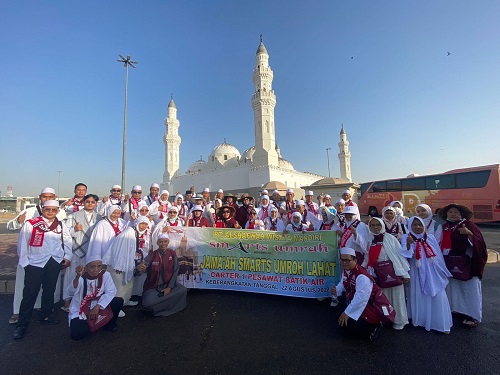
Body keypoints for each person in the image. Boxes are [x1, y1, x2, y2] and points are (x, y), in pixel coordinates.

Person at [13, 200, 73, 340]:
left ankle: (46, 315)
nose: (50, 212)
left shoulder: (60, 224)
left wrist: (67, 256)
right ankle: (22, 324)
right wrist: (25, 263)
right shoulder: (31, 224)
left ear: (58, 210)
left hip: (54, 261)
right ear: (42, 208)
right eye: (48, 209)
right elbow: (23, 243)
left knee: (49, 290)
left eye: (53, 210)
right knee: (30, 293)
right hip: (35, 262)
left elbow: (67, 240)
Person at [7, 187, 65, 325]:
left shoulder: (60, 213)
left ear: (55, 197)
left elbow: (64, 234)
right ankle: (19, 315)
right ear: (40, 197)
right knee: (27, 290)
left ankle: (45, 313)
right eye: (45, 196)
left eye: (50, 197)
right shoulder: (29, 211)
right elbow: (11, 226)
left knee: (49, 289)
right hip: (32, 258)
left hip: (51, 258)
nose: (47, 199)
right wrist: (18, 221)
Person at [436, 204, 487, 327]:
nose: (453, 214)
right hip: (450, 262)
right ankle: (457, 310)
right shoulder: (444, 227)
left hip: (467, 264)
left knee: (469, 290)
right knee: (453, 289)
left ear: (461, 214)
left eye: (456, 212)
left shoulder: (470, 226)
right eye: (450, 212)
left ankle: (471, 315)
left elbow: (480, 244)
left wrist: (469, 234)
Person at [401, 216, 452, 333]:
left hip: (432, 270)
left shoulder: (430, 238)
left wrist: (440, 270)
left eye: (420, 224)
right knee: (419, 292)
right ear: (410, 226)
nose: (418, 227)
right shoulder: (406, 237)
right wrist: (409, 244)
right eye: (414, 225)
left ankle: (438, 322)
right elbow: (405, 255)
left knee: (436, 292)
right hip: (416, 270)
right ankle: (421, 319)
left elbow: (437, 255)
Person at [363, 217, 410, 330]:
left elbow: (399, 255)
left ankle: (400, 320)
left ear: (382, 225)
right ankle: (387, 318)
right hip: (378, 273)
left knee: (397, 297)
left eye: (377, 225)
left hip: (393, 271)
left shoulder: (390, 238)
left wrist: (405, 274)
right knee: (383, 298)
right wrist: (363, 269)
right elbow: (367, 256)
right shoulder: (370, 240)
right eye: (372, 225)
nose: (375, 227)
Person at [330, 247, 384, 341]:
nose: (344, 262)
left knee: (348, 325)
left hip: (369, 307)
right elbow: (343, 284)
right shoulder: (347, 271)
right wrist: (336, 290)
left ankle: (374, 328)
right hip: (355, 302)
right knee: (341, 322)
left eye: (347, 260)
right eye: (342, 260)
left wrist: (347, 313)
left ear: (355, 260)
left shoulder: (362, 276)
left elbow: (361, 299)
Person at [66, 255, 124, 340]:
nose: (96, 269)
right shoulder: (81, 278)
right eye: (92, 267)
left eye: (99, 266)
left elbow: (111, 291)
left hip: (98, 304)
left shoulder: (105, 275)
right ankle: (95, 323)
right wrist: (77, 276)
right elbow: (70, 292)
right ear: (86, 268)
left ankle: (108, 324)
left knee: (118, 301)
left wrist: (97, 306)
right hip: (82, 308)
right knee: (76, 335)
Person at [61, 194, 102, 313]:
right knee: (71, 276)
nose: (90, 204)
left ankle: (84, 300)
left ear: (96, 204)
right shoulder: (73, 216)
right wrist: (74, 229)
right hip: (76, 250)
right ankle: (67, 301)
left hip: (92, 251)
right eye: (87, 201)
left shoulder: (99, 217)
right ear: (83, 202)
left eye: (93, 202)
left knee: (88, 277)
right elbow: (65, 233)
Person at [103, 216, 152, 308]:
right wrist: (119, 266)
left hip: (129, 263)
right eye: (142, 224)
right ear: (137, 223)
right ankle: (116, 307)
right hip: (119, 264)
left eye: (146, 224)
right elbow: (119, 250)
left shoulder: (139, 234)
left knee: (128, 284)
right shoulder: (129, 233)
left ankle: (125, 301)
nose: (143, 226)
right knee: (119, 286)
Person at [135, 234, 187, 317]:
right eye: (161, 242)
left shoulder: (172, 253)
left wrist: (169, 287)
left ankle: (158, 307)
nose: (163, 244)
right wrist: (138, 269)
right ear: (157, 243)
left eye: (165, 241)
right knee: (147, 303)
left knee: (183, 290)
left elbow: (175, 270)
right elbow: (141, 269)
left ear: (168, 242)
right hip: (153, 287)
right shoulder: (152, 255)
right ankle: (166, 304)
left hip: (168, 285)